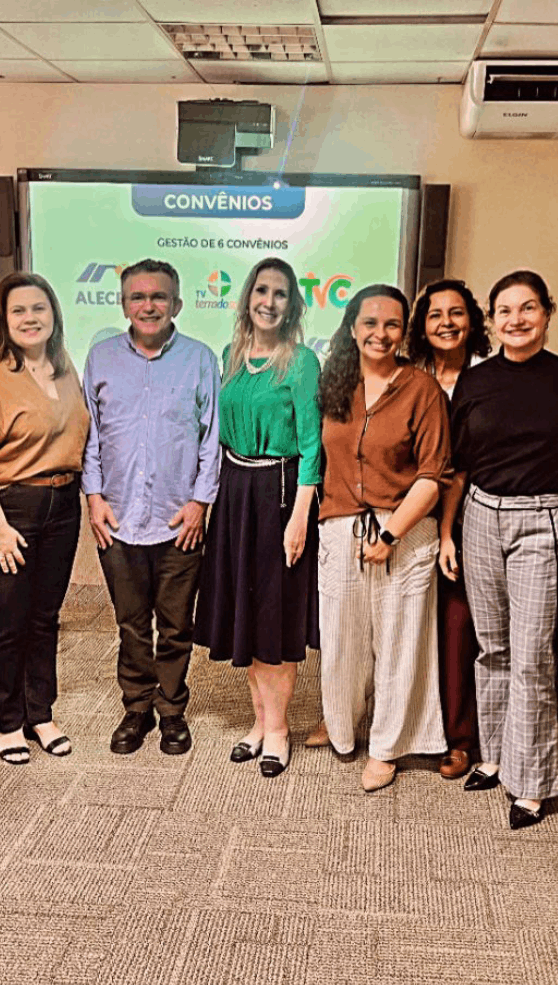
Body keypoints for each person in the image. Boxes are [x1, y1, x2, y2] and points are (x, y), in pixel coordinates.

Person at [443, 270, 558, 829]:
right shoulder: (476, 381)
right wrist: (448, 532)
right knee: (493, 649)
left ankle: (530, 784)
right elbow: (460, 464)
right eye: (505, 310)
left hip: (544, 519)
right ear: (493, 319)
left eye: (527, 308)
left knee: (532, 657)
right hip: (481, 516)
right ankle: (495, 756)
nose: (516, 320)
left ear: (547, 313)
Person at [315, 284, 451, 793]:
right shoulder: (334, 384)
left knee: (399, 642)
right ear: (352, 328)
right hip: (341, 527)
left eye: (392, 324)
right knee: (342, 637)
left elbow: (432, 474)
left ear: (404, 331)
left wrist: (390, 533)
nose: (381, 333)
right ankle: (343, 726)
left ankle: (388, 746)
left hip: (406, 530)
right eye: (370, 322)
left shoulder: (422, 389)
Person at [82, 259, 220, 758]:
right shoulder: (99, 359)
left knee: (176, 623)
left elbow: (212, 438)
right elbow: (90, 436)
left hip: (177, 519)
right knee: (131, 622)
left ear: (177, 304)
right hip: (116, 519)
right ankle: (136, 707)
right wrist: (94, 497)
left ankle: (172, 710)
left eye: (159, 296)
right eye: (138, 297)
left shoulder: (201, 359)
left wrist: (200, 502)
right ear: (123, 305)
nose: (148, 305)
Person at [193, 258, 321, 778]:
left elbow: (312, 446)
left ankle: (279, 729)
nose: (269, 301)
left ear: (293, 304)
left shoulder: (303, 362)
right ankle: (257, 721)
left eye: (281, 293)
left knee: (274, 616)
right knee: (245, 613)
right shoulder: (231, 355)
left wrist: (299, 519)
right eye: (261, 291)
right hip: (234, 494)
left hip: (281, 494)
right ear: (247, 298)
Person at [0, 272, 89, 765]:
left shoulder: (63, 367)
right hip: (8, 509)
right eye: (19, 311)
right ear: (2, 319)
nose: (30, 318)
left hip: (61, 506)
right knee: (9, 619)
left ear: (54, 315)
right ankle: (8, 721)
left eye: (39, 308)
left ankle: (42, 712)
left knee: (45, 617)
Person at [406, 278, 491, 780]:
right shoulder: (408, 376)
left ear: (472, 320)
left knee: (458, 627)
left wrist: (449, 530)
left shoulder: (489, 376)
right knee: (409, 626)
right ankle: (410, 724)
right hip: (410, 515)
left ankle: (460, 738)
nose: (446, 323)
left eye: (456, 313)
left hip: (470, 516)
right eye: (435, 314)